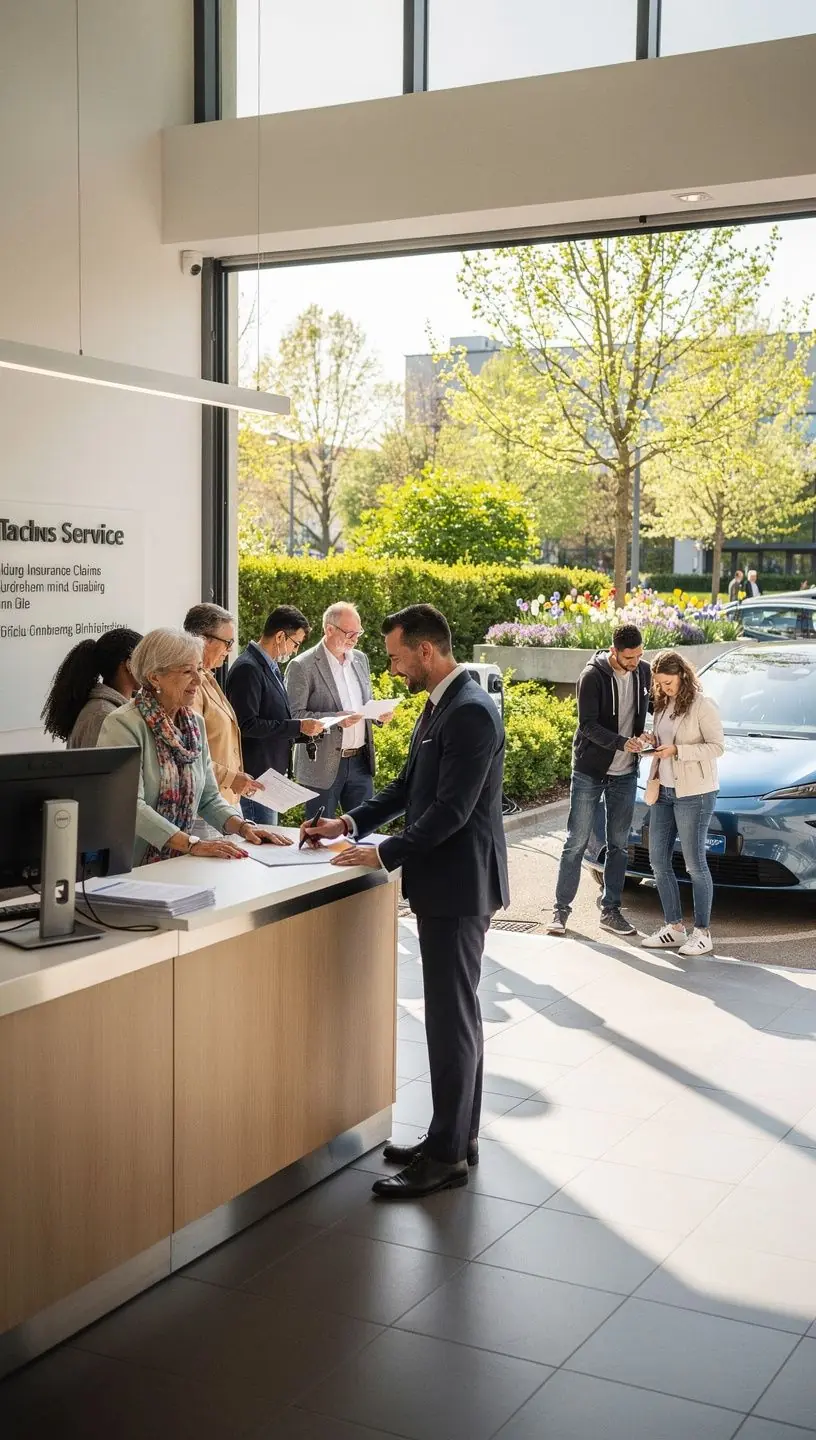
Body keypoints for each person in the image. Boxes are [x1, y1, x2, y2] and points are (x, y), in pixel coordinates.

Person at [301, 604, 509, 1201]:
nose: (390, 669)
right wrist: (348, 823)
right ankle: (454, 1139)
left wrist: (383, 854)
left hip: (460, 882)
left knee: (451, 1017)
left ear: (425, 650)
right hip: (448, 878)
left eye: (394, 657)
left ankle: (445, 1155)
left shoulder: (469, 711)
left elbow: (452, 811)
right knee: (456, 1014)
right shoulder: (444, 703)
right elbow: (406, 789)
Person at [97, 628, 291, 866]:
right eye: (188, 671)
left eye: (199, 668)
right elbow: (129, 806)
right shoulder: (122, 725)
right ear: (155, 677)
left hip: (180, 864)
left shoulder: (193, 724)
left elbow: (208, 798)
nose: (199, 680)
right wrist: (192, 844)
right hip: (132, 866)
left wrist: (244, 827)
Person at [547, 624, 651, 939]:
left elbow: (653, 710)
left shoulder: (643, 673)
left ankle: (611, 911)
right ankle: (560, 911)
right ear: (613, 651)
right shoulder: (592, 676)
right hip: (590, 771)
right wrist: (623, 743)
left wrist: (647, 737)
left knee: (619, 845)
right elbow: (588, 726)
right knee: (576, 842)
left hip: (625, 772)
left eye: (638, 655)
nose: (634, 662)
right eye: (629, 657)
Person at [640, 650, 724, 956]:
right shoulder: (662, 704)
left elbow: (717, 747)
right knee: (658, 861)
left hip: (695, 793)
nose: (664, 688)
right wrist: (651, 740)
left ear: (682, 675)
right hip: (663, 789)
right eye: (659, 684)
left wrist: (678, 751)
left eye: (668, 682)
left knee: (694, 864)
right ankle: (674, 928)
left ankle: (703, 933)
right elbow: (663, 737)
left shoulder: (703, 704)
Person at [285, 601, 390, 820]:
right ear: (329, 629)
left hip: (360, 762)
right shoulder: (302, 666)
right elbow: (294, 717)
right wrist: (334, 719)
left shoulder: (360, 659)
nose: (354, 639)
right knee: (317, 837)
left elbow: (365, 702)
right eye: (349, 633)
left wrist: (378, 714)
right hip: (322, 766)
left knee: (363, 832)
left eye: (358, 633)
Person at [225, 605, 324, 826]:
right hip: (255, 779)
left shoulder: (270, 666)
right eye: (295, 643)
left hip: (269, 780)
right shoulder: (248, 668)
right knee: (259, 848)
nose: (295, 650)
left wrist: (304, 731)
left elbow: (272, 718)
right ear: (280, 636)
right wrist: (297, 727)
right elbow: (246, 724)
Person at [183, 602, 262, 807]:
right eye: (228, 642)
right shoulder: (191, 685)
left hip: (224, 800)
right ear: (203, 640)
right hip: (205, 805)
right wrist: (230, 778)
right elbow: (189, 751)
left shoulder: (207, 676)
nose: (231, 649)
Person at [42, 627, 142, 748]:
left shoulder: (107, 710)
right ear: (129, 665)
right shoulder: (102, 715)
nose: (150, 668)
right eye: (145, 660)